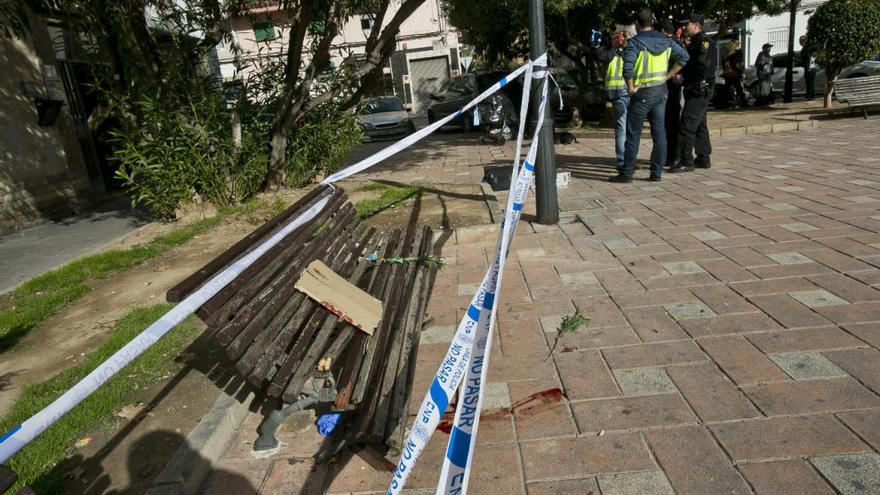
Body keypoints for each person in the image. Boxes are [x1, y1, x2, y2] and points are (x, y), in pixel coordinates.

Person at [612, 7, 688, 183]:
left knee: (633, 134)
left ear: (637, 24)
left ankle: (627, 174)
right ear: (652, 22)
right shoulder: (667, 40)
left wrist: (630, 88)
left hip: (641, 93)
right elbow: (684, 57)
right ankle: (656, 173)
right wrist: (668, 76)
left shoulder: (635, 43)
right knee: (659, 133)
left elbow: (627, 69)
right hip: (660, 92)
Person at [670, 14, 716, 173]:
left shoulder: (703, 43)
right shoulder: (693, 43)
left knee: (687, 125)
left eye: (687, 24)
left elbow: (700, 68)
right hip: (694, 88)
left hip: (699, 89)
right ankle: (703, 157)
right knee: (700, 124)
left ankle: (685, 160)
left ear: (696, 25)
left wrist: (682, 77)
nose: (684, 27)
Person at [597, 25, 637, 174]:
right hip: (626, 94)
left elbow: (602, 56)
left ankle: (624, 162)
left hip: (621, 95)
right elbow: (601, 56)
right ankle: (625, 162)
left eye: (622, 36)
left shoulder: (618, 52)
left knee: (622, 130)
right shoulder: (630, 51)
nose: (620, 38)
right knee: (627, 130)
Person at [658, 18, 683, 169]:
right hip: (666, 88)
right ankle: (668, 155)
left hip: (670, 89)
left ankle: (672, 156)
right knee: (667, 124)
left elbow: (682, 60)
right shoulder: (671, 42)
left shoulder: (672, 43)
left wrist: (672, 75)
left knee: (670, 124)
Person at [722, 40, 747, 108]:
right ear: (737, 45)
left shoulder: (727, 53)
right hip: (735, 73)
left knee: (727, 89)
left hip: (728, 73)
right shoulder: (737, 53)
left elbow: (724, 64)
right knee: (739, 88)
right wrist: (742, 72)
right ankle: (743, 102)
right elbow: (738, 64)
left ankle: (725, 103)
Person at [799, 35, 818, 99]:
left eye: (801, 41)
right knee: (809, 83)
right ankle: (810, 95)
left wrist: (809, 67)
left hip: (810, 68)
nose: (800, 42)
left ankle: (810, 95)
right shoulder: (806, 48)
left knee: (810, 83)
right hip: (810, 68)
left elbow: (811, 58)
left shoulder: (807, 49)